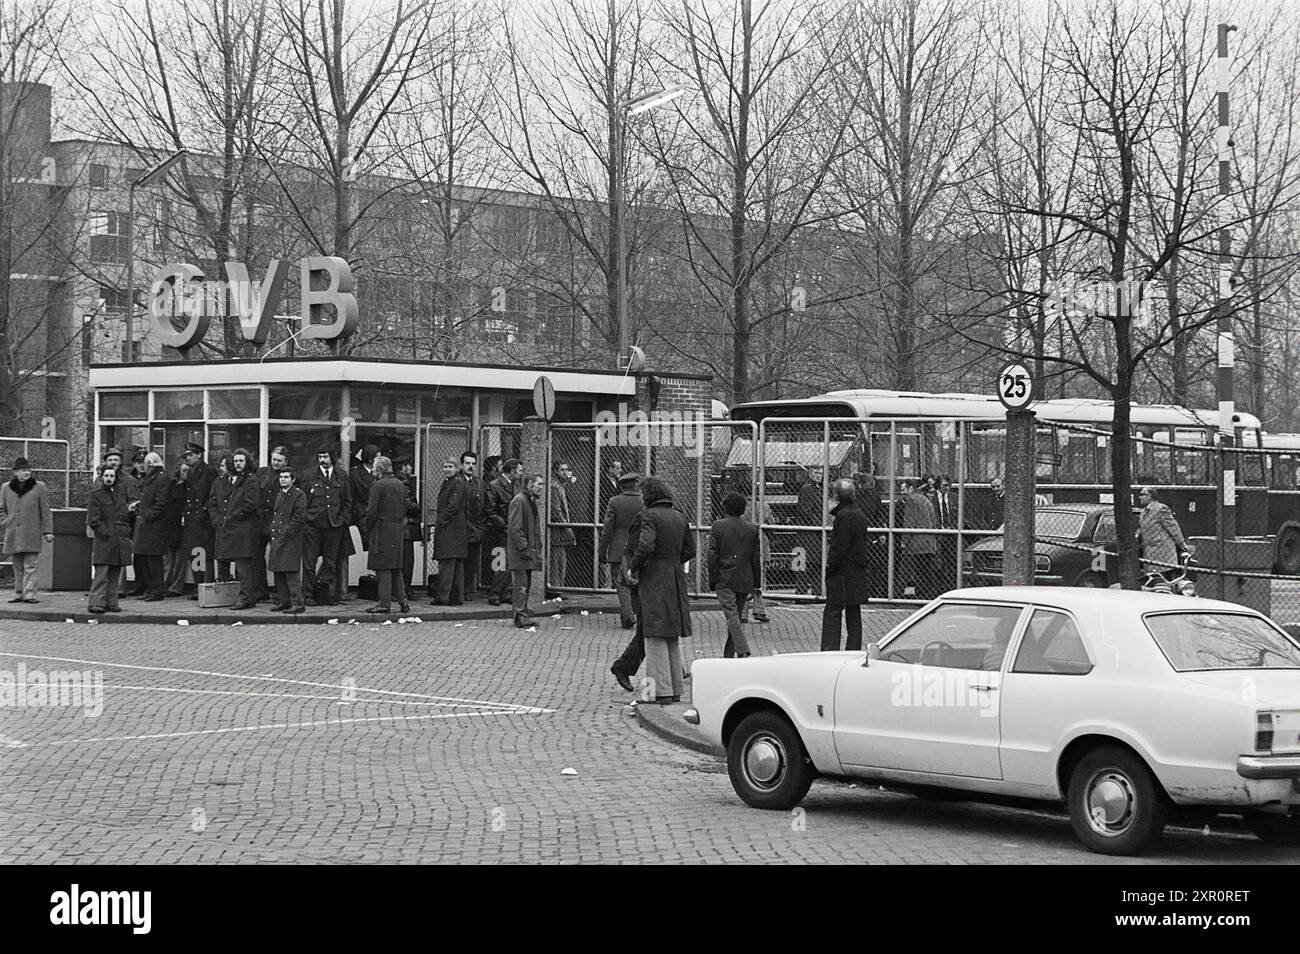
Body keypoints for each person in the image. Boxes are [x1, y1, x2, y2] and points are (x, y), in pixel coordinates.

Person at [626, 476, 694, 704]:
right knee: (671, 635)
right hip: (675, 577)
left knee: (653, 635)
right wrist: (672, 561)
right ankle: (674, 689)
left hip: (654, 577)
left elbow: (646, 545)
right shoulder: (679, 517)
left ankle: (656, 692)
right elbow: (690, 549)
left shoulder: (649, 516)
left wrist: (634, 568)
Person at [708, 491, 762, 658]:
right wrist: (756, 583)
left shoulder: (718, 526)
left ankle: (742, 649)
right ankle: (729, 654)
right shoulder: (752, 530)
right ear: (744, 509)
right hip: (744, 578)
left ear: (725, 508)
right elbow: (755, 559)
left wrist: (712, 578)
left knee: (732, 616)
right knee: (736, 617)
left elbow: (712, 555)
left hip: (724, 577)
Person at [208, 447, 261, 609]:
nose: (238, 464)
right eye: (236, 461)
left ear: (247, 462)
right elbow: (211, 503)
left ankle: (246, 598)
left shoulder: (251, 480)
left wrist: (234, 517)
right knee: (222, 562)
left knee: (243, 566)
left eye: (241, 461)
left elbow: (251, 504)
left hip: (242, 529)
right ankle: (225, 596)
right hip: (224, 528)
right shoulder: (221, 481)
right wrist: (218, 520)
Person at [822, 478, 869, 651]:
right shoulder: (859, 514)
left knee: (833, 612)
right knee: (853, 612)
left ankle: (830, 648)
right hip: (856, 569)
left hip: (843, 571)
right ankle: (853, 648)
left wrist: (831, 565)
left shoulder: (843, 516)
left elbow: (839, 546)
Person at [302, 447, 351, 606]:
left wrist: (344, 519)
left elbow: (348, 500)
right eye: (320, 456)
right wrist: (306, 517)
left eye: (325, 456)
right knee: (310, 561)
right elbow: (303, 499)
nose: (322, 460)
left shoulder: (341, 475)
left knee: (331, 562)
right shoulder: (309, 475)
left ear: (332, 457)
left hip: (334, 524)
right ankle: (308, 594)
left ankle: (329, 594)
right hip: (312, 524)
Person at [0, 457, 53, 604]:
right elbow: (1, 509)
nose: (27, 473)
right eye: (23, 470)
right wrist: (5, 522)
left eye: (29, 470)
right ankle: (19, 593)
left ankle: (29, 594)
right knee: (17, 565)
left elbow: (45, 510)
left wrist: (48, 531)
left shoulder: (39, 487)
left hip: (31, 532)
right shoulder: (6, 488)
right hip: (14, 532)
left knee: (31, 564)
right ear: (16, 472)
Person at [364, 456, 410, 614]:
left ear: (379, 470)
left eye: (374, 468)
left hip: (381, 529)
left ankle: (384, 603)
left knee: (382, 568)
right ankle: (403, 601)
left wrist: (367, 528)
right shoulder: (400, 484)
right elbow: (406, 507)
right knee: (396, 567)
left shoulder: (378, 485)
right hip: (397, 529)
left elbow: (372, 511)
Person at [86, 464, 132, 613]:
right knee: (102, 573)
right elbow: (93, 520)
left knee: (114, 573)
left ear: (115, 478)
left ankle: (111, 602)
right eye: (106, 476)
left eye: (111, 476)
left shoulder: (119, 495)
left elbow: (123, 516)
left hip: (118, 541)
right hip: (104, 541)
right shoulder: (96, 496)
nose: (109, 479)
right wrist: (106, 533)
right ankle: (96, 603)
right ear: (101, 477)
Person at [600, 470, 642, 629]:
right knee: (636, 583)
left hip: (618, 549)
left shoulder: (614, 501)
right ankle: (632, 614)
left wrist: (602, 550)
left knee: (621, 585)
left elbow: (607, 528)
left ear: (621, 486)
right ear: (635, 485)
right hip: (637, 548)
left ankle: (628, 615)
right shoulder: (642, 502)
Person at [180, 443, 217, 599]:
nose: (188, 458)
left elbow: (214, 495)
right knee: (195, 554)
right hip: (191, 519)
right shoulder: (190, 472)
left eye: (190, 455)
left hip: (203, 520)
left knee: (205, 554)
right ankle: (198, 585)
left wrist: (205, 512)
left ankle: (205, 586)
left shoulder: (208, 471)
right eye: (186, 455)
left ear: (199, 455)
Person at [130, 452, 169, 601]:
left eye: (145, 465)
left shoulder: (160, 478)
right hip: (147, 524)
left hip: (153, 525)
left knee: (154, 560)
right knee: (146, 559)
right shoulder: (152, 478)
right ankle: (150, 589)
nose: (144, 468)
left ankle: (156, 590)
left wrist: (148, 515)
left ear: (150, 464)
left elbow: (161, 502)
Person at [268, 467, 308, 614]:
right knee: (278, 570)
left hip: (290, 538)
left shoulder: (298, 495)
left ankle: (298, 602)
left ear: (293, 479)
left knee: (291, 571)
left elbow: (299, 517)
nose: (282, 479)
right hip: (278, 536)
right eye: (281, 477)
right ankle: (283, 600)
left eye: (286, 477)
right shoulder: (280, 494)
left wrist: (286, 532)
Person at [507, 473, 543, 628]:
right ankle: (520, 615)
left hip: (527, 551)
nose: (541, 488)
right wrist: (525, 547)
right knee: (521, 585)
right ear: (530, 484)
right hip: (521, 552)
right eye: (539, 484)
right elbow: (515, 528)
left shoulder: (528, 500)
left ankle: (522, 614)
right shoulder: (520, 501)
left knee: (525, 584)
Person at [432, 455, 469, 605]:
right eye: (445, 467)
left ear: (456, 468)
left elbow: (453, 506)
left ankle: (443, 597)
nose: (447, 469)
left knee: (447, 565)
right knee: (456, 566)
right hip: (456, 530)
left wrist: (441, 520)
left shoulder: (456, 484)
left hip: (450, 530)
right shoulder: (454, 482)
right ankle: (456, 597)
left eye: (450, 467)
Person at [485, 458, 522, 606]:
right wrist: (503, 525)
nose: (521, 473)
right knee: (500, 564)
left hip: (512, 529)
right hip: (500, 531)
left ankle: (505, 592)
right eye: (519, 470)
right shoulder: (494, 486)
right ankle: (494, 593)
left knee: (511, 562)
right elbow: (490, 510)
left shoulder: (516, 485)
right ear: (512, 471)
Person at [254, 446, 289, 603]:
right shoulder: (260, 473)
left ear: (286, 461)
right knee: (256, 556)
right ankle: (260, 590)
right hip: (261, 520)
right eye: (274, 459)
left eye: (279, 461)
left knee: (278, 557)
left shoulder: (287, 475)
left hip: (278, 520)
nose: (275, 463)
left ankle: (281, 593)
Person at [1137, 486, 1188, 578]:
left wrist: (1181, 543)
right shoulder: (1143, 512)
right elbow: (1143, 528)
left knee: (1164, 579)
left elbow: (1173, 527)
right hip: (1149, 552)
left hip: (1162, 552)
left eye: (1142, 495)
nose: (1139, 497)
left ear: (1150, 496)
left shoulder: (1161, 509)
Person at [901, 478, 938, 599]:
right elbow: (933, 520)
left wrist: (904, 541)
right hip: (928, 542)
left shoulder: (911, 500)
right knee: (926, 572)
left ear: (911, 488)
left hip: (916, 544)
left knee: (911, 571)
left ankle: (898, 595)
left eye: (903, 489)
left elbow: (909, 522)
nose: (902, 493)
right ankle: (927, 596)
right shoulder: (925, 499)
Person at [162, 462, 189, 597]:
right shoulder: (172, 485)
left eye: (187, 470)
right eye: (183, 470)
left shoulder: (188, 487)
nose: (185, 473)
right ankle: (165, 583)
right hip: (170, 524)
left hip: (182, 525)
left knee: (179, 559)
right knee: (168, 558)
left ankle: (175, 587)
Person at [548, 459, 576, 593]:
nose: (565, 473)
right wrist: (567, 526)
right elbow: (556, 511)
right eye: (562, 470)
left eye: (566, 470)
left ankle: (559, 587)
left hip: (561, 529)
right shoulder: (555, 486)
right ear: (555, 471)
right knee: (556, 561)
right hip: (557, 531)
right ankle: (556, 588)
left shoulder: (561, 485)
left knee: (560, 560)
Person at [795, 466, 824, 595]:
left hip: (815, 531)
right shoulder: (807, 490)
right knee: (806, 563)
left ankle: (816, 591)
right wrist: (818, 525)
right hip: (809, 532)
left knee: (816, 563)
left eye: (820, 473)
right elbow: (806, 511)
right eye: (816, 473)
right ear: (810, 474)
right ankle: (802, 592)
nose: (819, 476)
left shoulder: (818, 489)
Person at [397, 462, 421, 591]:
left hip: (401, 527)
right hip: (406, 527)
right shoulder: (404, 481)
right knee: (407, 561)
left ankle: (402, 588)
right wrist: (417, 507)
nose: (411, 467)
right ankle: (405, 588)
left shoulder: (398, 479)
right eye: (409, 465)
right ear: (403, 467)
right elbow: (408, 504)